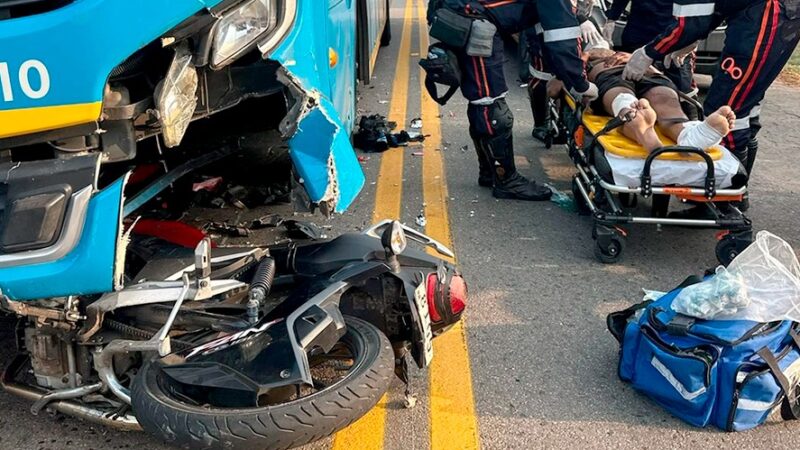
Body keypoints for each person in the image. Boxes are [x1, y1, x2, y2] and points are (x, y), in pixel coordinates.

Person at [429, 0, 598, 201]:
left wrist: (560, 71)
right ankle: (505, 180)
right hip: (474, 19)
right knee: (491, 105)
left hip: (463, 13)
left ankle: (490, 171)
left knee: (481, 100)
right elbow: (562, 37)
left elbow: (542, 31)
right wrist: (581, 84)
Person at [621, 0, 800, 178]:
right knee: (746, 104)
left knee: (725, 111)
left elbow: (690, 23)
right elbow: (715, 8)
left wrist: (649, 52)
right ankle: (735, 192)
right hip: (767, 14)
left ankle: (723, 197)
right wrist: (692, 39)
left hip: (766, 16)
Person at [583, 49, 735, 151]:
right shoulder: (587, 51)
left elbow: (568, 73)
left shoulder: (583, 52)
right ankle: (687, 133)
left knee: (622, 96)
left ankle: (635, 120)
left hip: (611, 71)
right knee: (663, 100)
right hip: (646, 70)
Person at [526, 0, 603, 142]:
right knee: (541, 74)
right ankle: (541, 125)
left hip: (564, 18)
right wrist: (580, 18)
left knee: (563, 73)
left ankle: (561, 121)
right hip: (546, 22)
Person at [603, 0, 697, 96]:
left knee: (683, 91)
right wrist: (611, 18)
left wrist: (694, 34)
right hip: (641, 36)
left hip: (673, 39)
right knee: (632, 86)